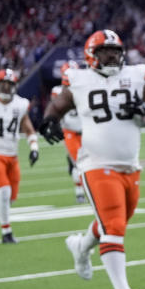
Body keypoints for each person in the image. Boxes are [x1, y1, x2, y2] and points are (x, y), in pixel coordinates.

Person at [40, 29, 145, 289]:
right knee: (114, 226)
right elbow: (59, 103)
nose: (112, 56)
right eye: (105, 51)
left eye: (115, 51)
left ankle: (81, 246)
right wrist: (48, 120)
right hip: (96, 163)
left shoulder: (136, 76)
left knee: (116, 221)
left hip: (129, 166)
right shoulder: (79, 79)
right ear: (91, 56)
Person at [0, 68, 39, 244]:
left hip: (12, 155)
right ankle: (6, 233)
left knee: (10, 198)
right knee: (4, 192)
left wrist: (34, 147)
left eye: (9, 85)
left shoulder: (20, 104)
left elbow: (27, 127)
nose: (6, 88)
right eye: (3, 84)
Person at [50, 61, 86, 204]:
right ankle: (79, 192)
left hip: (86, 130)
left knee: (90, 161)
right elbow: (56, 110)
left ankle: (85, 189)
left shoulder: (84, 88)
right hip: (69, 130)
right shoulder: (57, 91)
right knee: (78, 163)